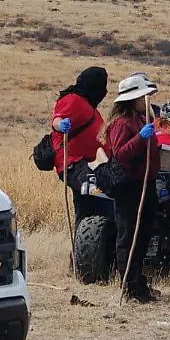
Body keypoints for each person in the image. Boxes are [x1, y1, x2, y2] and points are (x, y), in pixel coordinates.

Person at [104, 74, 161, 302]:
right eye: (145, 95)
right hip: (129, 187)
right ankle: (128, 285)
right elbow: (121, 153)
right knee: (129, 235)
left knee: (143, 234)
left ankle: (138, 283)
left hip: (145, 184)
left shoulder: (141, 118)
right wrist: (141, 137)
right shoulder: (122, 123)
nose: (148, 98)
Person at [50, 67, 108, 223]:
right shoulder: (73, 99)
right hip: (73, 163)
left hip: (88, 164)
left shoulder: (88, 105)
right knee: (95, 187)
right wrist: (61, 125)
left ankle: (83, 243)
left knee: (86, 209)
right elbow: (57, 119)